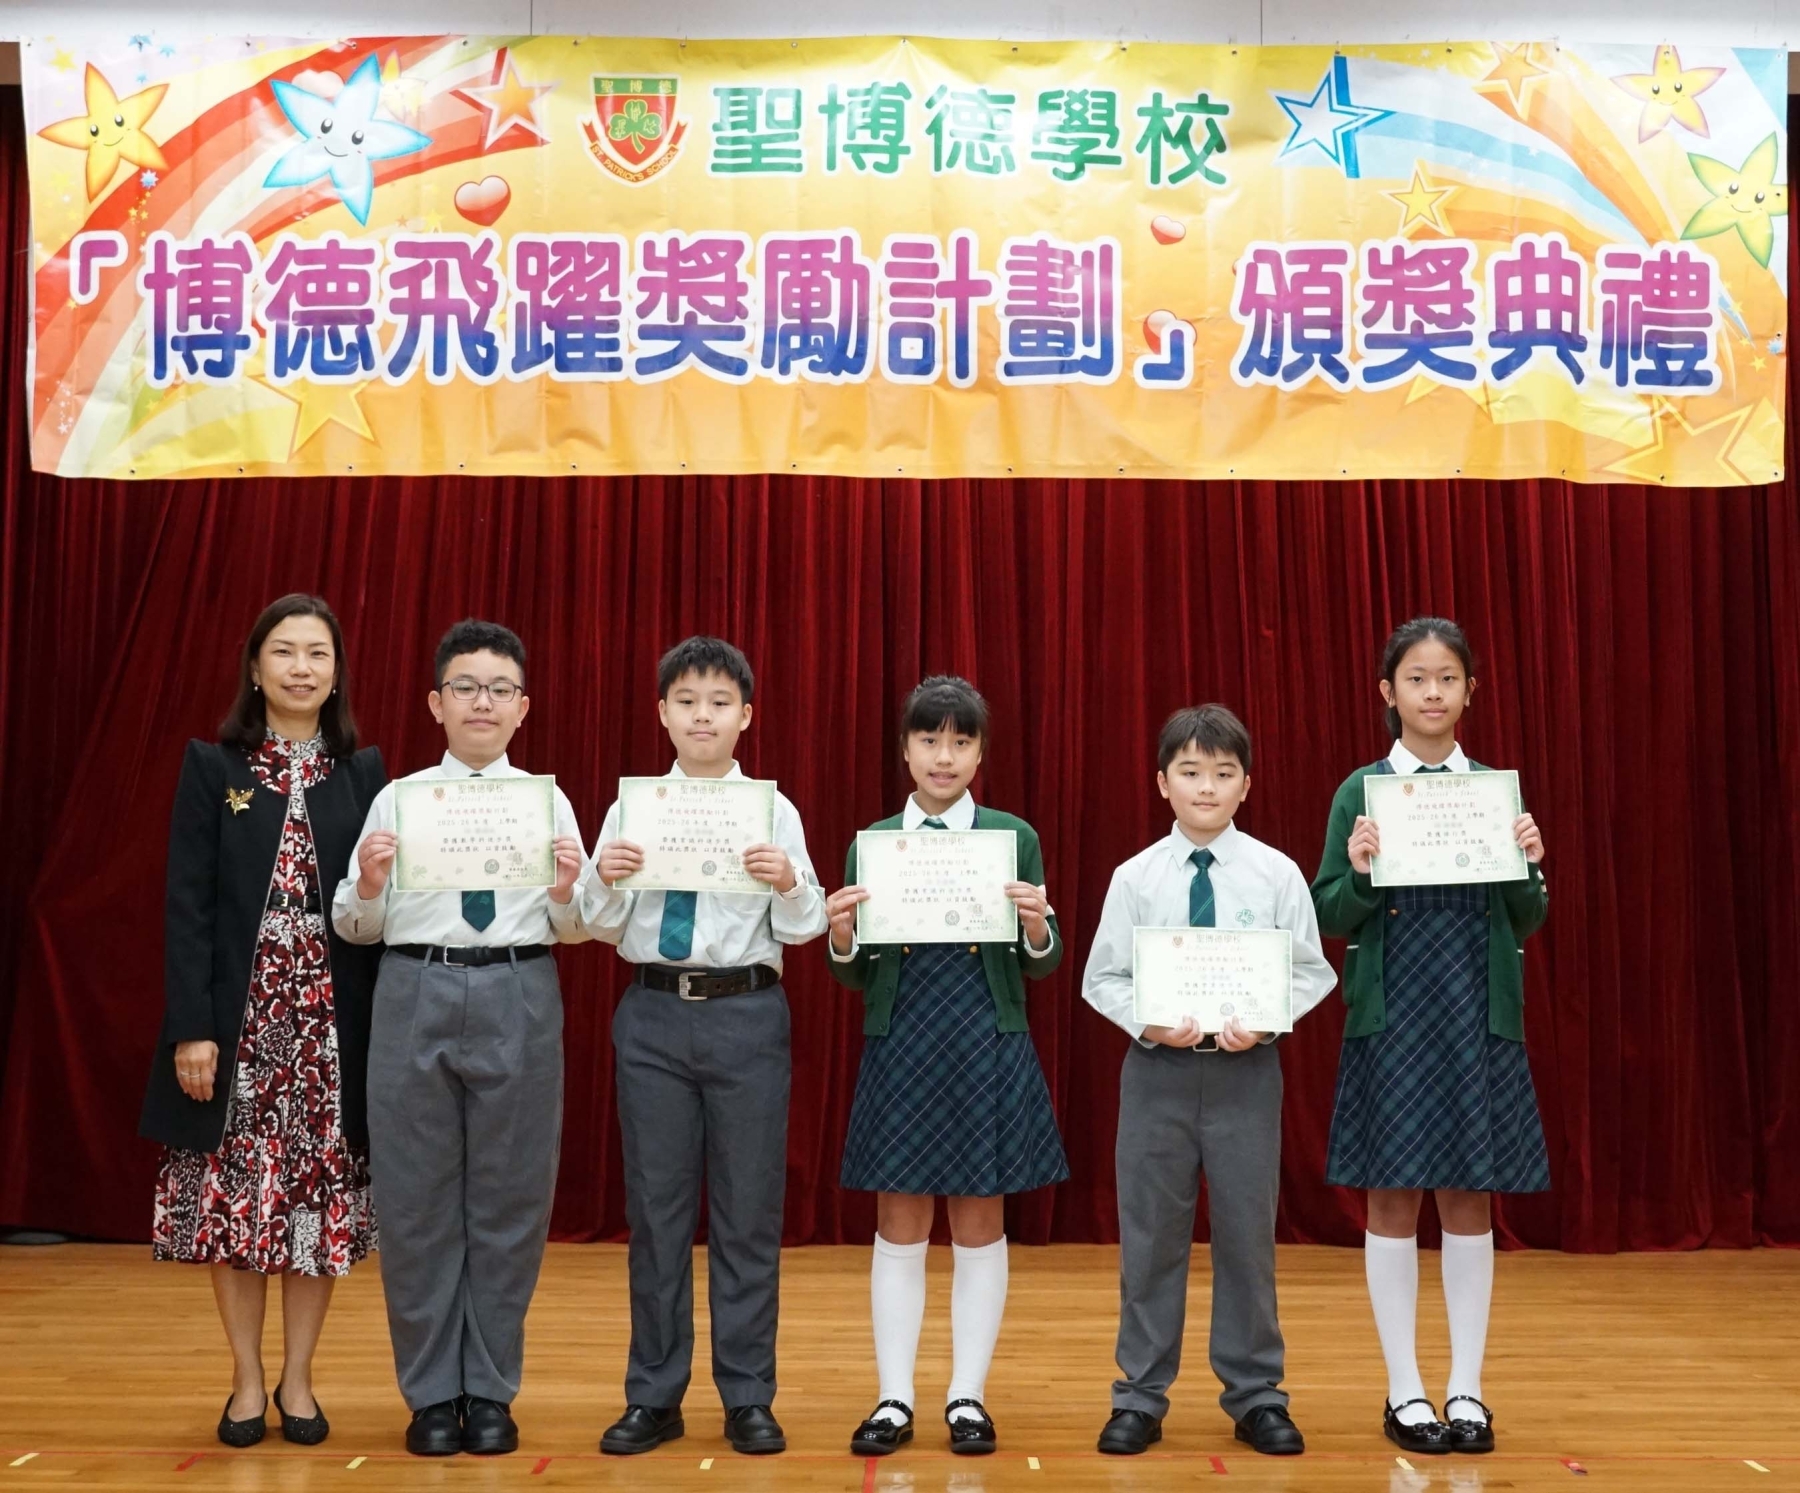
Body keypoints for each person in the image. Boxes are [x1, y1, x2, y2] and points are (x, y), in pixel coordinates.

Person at [332, 619, 589, 1457]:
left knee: (511, 1201)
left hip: (520, 985)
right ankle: (431, 1394)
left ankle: (490, 1390)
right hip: (416, 985)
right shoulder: (398, 798)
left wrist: (566, 891)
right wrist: (372, 882)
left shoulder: (548, 801)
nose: (484, 702)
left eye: (500, 689)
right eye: (466, 687)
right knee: (416, 1202)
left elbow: (580, 926)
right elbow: (355, 923)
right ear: (436, 702)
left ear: (523, 707)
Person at [142, 593, 386, 1449]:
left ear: (336, 672)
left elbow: (379, 906)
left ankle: (299, 1378)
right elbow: (187, 906)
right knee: (236, 1205)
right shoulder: (215, 767)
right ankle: (246, 1378)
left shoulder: (365, 774)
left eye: (317, 653)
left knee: (314, 1206)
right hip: (238, 1030)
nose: (300, 668)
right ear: (255, 666)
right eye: (284, 651)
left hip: (329, 1031)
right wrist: (192, 1027)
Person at [584, 637, 827, 1458]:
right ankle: (654, 1395)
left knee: (748, 1214)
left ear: (745, 716)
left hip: (746, 1013)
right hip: (653, 1014)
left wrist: (787, 880)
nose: (702, 716)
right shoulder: (632, 809)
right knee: (655, 1215)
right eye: (687, 701)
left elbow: (806, 924)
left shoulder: (773, 810)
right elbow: (598, 924)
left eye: (719, 703)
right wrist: (606, 876)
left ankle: (748, 1394)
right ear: (662, 712)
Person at [1312, 617, 1549, 1456]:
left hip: (1476, 1011)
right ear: (1389, 691)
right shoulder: (1361, 789)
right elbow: (1329, 909)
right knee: (1390, 1197)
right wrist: (1360, 868)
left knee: (1469, 1196)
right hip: (1394, 1015)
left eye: (1448, 678)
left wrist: (1528, 862)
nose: (1433, 692)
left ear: (1470, 691)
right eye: (1417, 678)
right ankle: (1405, 1388)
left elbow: (1527, 915)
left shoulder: (1492, 789)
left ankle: (1467, 1387)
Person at [1082, 704, 1336, 1458]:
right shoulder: (1135, 877)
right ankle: (1139, 1395)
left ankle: (1257, 1394)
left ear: (1245, 785)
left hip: (1245, 1075)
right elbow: (1103, 978)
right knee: (1150, 1239)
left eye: (1223, 773)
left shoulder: (1275, 872)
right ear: (1163, 782)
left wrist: (1265, 1020)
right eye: (1190, 772)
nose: (1206, 787)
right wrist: (1150, 1021)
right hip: (1156, 1074)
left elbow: (1312, 969)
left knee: (1247, 1238)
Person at [826, 676, 1068, 1459]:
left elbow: (1041, 962)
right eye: (930, 739)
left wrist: (1036, 925)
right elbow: (856, 973)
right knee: (899, 1223)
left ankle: (968, 1395)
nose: (944, 755)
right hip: (902, 1039)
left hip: (984, 1039)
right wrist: (840, 937)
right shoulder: (873, 842)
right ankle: (893, 1396)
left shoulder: (1012, 837)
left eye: (961, 741)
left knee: (978, 1222)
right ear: (905, 748)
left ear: (980, 753)